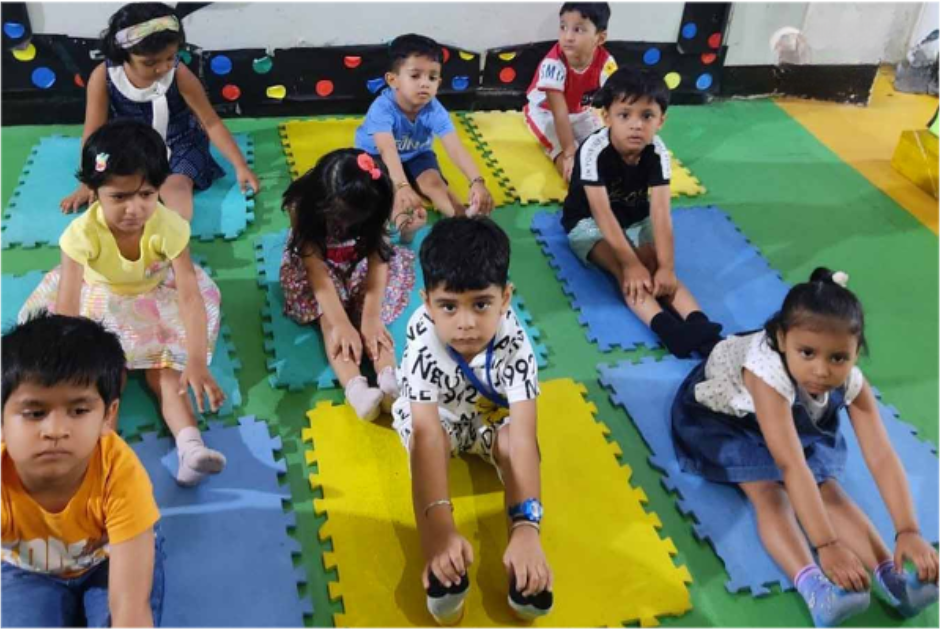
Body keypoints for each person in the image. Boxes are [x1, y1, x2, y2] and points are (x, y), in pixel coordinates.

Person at [672, 268, 939, 627]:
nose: (822, 371)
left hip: (793, 418)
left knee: (829, 489)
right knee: (768, 492)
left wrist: (908, 530)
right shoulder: (766, 371)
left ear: (856, 352)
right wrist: (826, 545)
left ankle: (892, 577)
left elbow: (881, 455)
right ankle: (814, 588)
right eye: (808, 352)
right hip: (728, 419)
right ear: (782, 340)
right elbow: (790, 464)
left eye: (838, 358)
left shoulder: (851, 381)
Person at [22, 120, 227, 487]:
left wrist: (196, 360)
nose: (135, 208)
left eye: (146, 194)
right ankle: (101, 460)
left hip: (156, 296)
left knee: (167, 372)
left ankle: (191, 448)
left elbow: (189, 294)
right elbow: (68, 306)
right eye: (119, 197)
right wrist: (72, 361)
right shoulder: (81, 234)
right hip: (101, 301)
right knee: (105, 378)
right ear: (94, 191)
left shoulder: (169, 226)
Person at [392, 217, 553, 624]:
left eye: (481, 304)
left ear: (505, 298)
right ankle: (439, 559)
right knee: (426, 444)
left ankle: (525, 550)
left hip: (487, 422)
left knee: (513, 438)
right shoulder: (422, 343)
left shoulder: (516, 342)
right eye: (449, 306)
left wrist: (527, 528)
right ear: (427, 302)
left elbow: (524, 436)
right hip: (439, 420)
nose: (465, 323)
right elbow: (427, 435)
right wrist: (441, 530)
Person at [2, 312, 163, 627]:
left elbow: (130, 611)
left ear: (108, 416)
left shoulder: (120, 474)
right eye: (34, 413)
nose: (55, 430)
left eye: (78, 410)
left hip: (107, 560)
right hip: (24, 569)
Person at [562, 67, 722, 358]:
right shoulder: (593, 150)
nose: (636, 125)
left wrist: (667, 267)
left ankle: (703, 330)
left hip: (635, 217)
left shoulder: (657, 152)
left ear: (661, 120)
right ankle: (669, 331)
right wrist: (630, 262)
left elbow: (660, 213)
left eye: (647, 116)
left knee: (656, 265)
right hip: (588, 222)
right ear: (607, 117)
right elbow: (601, 213)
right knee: (625, 270)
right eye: (625, 115)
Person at [60, 2, 258, 220]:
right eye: (150, 62)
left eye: (170, 57)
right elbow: (93, 133)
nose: (163, 67)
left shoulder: (179, 73)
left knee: (176, 188)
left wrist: (240, 165)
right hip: (127, 147)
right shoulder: (103, 77)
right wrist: (87, 182)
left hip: (180, 143)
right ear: (124, 54)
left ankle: (175, 234)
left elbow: (210, 122)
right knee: (116, 191)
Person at [281, 149, 415, 421]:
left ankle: (390, 378)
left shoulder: (376, 198)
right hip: (320, 272)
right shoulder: (302, 206)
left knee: (376, 326)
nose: (344, 225)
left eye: (353, 220)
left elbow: (379, 261)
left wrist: (371, 317)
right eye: (339, 218)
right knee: (329, 321)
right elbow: (316, 273)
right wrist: (341, 323)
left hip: (360, 265)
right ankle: (356, 390)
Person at [355, 33, 495, 241]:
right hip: (377, 156)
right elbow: (387, 149)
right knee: (390, 195)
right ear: (393, 80)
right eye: (415, 76)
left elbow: (455, 148)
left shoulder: (434, 109)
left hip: (416, 154)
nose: (425, 84)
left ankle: (463, 222)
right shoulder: (382, 108)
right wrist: (402, 186)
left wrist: (477, 181)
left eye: (432, 78)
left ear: (439, 82)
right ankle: (404, 230)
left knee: (434, 183)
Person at [524, 2, 617, 182]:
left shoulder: (606, 63)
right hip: (546, 113)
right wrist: (569, 153)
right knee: (569, 162)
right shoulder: (554, 64)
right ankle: (582, 184)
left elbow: (618, 101)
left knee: (605, 149)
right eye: (563, 27)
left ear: (600, 38)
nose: (568, 37)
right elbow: (559, 113)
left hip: (581, 112)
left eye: (578, 30)